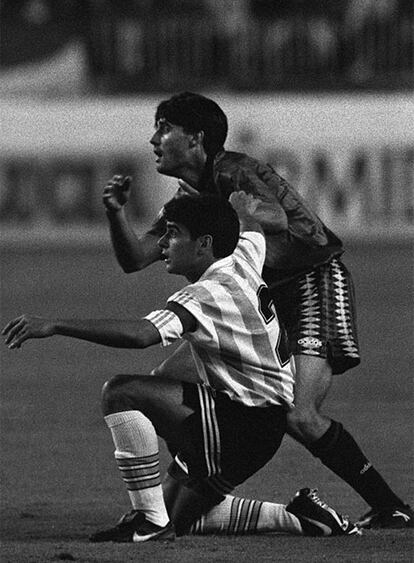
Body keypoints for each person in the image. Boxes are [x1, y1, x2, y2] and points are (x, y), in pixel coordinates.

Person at [102, 92, 413, 530]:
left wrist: (238, 211)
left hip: (311, 284)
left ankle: (389, 506)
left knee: (298, 414)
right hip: (254, 302)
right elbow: (135, 257)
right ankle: (201, 477)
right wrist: (115, 214)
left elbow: (279, 220)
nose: (154, 139)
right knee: (166, 385)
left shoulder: (235, 172)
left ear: (196, 139)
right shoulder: (190, 195)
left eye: (164, 127)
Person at [2, 193, 360, 542]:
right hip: (258, 423)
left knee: (121, 392)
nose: (164, 244)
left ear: (204, 244)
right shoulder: (244, 255)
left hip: (244, 424)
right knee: (181, 519)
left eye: (173, 233)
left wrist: (54, 325)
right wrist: (238, 205)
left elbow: (143, 334)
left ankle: (147, 522)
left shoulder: (209, 293)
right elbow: (252, 228)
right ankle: (301, 518)